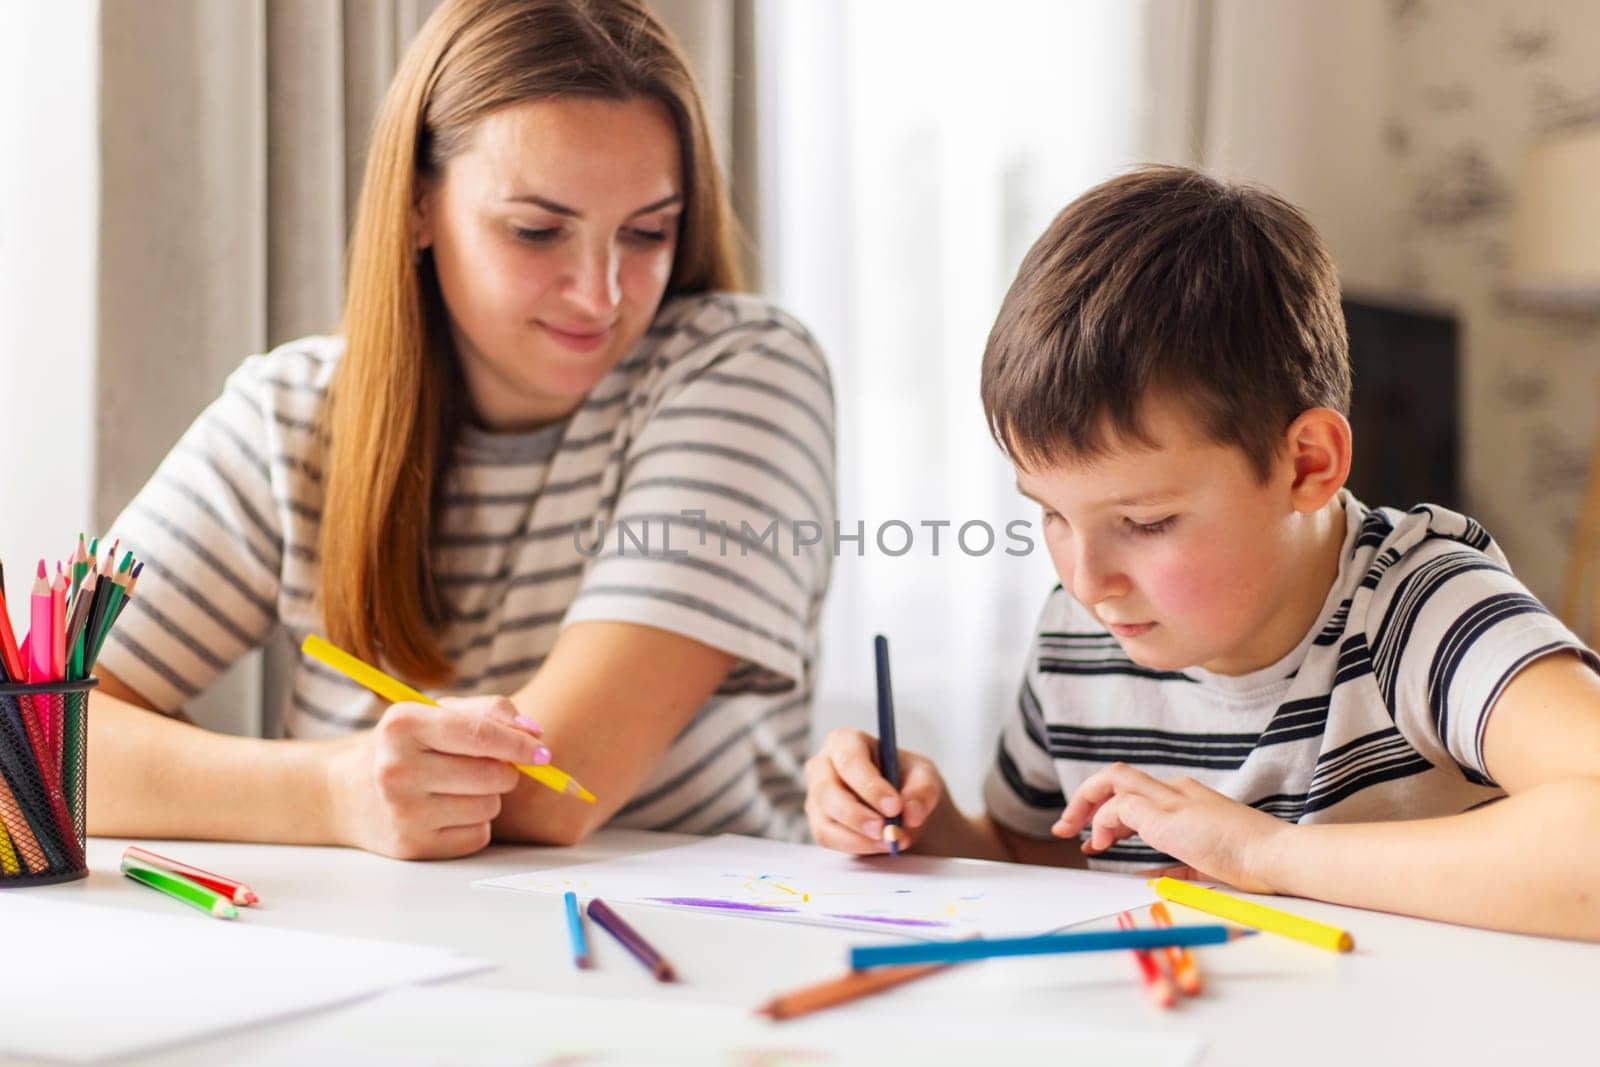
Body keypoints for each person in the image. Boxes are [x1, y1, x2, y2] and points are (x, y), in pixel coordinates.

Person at [88, 0, 834, 859]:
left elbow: (559, 787)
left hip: (681, 961)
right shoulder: (289, 414)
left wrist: (242, 783)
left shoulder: (746, 371)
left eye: (647, 232)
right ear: (417, 208)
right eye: (537, 230)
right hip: (367, 949)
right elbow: (26, 742)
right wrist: (333, 792)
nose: (602, 293)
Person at [804, 165, 1600, 940]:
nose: (1088, 582)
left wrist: (1267, 852)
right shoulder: (1081, 637)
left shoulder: (1420, 605)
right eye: (1049, 514)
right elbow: (1038, 859)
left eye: (1146, 522)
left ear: (1307, 465)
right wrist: (922, 821)